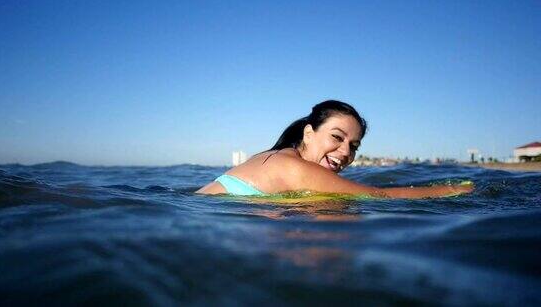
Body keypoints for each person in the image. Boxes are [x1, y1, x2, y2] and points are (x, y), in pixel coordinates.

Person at [196, 100, 474, 199]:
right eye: (337, 138)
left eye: (353, 146)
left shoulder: (274, 157)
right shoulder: (295, 167)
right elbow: (381, 195)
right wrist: (455, 190)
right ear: (308, 133)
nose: (344, 152)